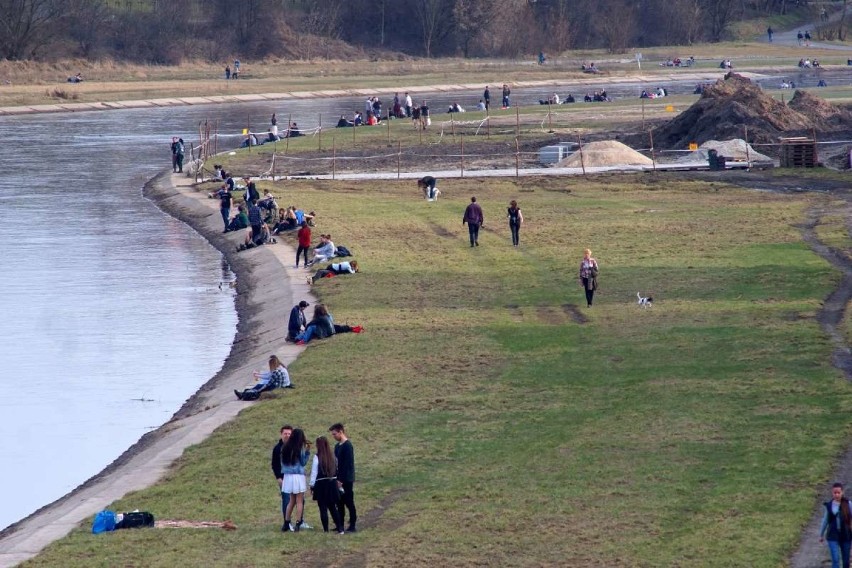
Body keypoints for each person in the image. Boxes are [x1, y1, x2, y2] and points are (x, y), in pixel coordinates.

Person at [310, 436, 345, 534]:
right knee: (333, 507)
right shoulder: (333, 456)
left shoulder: (317, 457)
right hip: (332, 484)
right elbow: (337, 469)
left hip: (321, 484)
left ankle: (326, 530)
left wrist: (312, 485)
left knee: (322, 508)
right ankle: (340, 528)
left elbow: (314, 472)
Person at [280, 428, 311, 532]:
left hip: (288, 476)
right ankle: (298, 523)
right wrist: (307, 452)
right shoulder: (299, 448)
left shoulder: (285, 447)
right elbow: (303, 462)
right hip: (297, 476)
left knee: (291, 501)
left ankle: (286, 522)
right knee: (299, 501)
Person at [330, 423, 357, 532]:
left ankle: (352, 524)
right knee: (339, 502)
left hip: (346, 479)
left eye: (335, 434)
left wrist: (341, 479)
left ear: (341, 432)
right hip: (338, 478)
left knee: (349, 502)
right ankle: (340, 524)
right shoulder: (337, 446)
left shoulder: (347, 446)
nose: (334, 436)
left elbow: (347, 465)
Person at [820, 482, 852, 568]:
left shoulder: (848, 504)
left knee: (846, 561)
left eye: (838, 492)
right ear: (832, 493)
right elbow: (825, 520)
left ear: (842, 492)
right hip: (832, 536)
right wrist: (821, 534)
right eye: (835, 493)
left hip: (846, 536)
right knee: (835, 560)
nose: (837, 494)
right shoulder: (829, 506)